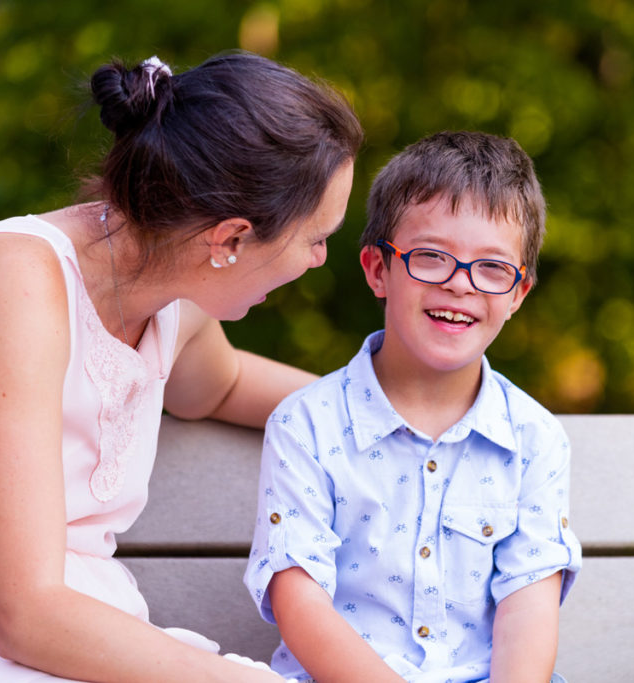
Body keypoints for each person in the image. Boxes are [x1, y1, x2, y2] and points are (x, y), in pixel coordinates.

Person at [0, 51, 362, 682]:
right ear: (229, 239)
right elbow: (24, 615)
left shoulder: (176, 300)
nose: (318, 261)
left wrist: (386, 420)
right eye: (316, 238)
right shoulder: (18, 285)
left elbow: (221, 386)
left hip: (85, 628)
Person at [244, 131, 582, 682]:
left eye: (493, 268)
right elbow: (298, 598)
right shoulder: (305, 424)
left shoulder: (534, 439)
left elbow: (529, 603)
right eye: (430, 257)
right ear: (378, 269)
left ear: (519, 293)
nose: (460, 284)